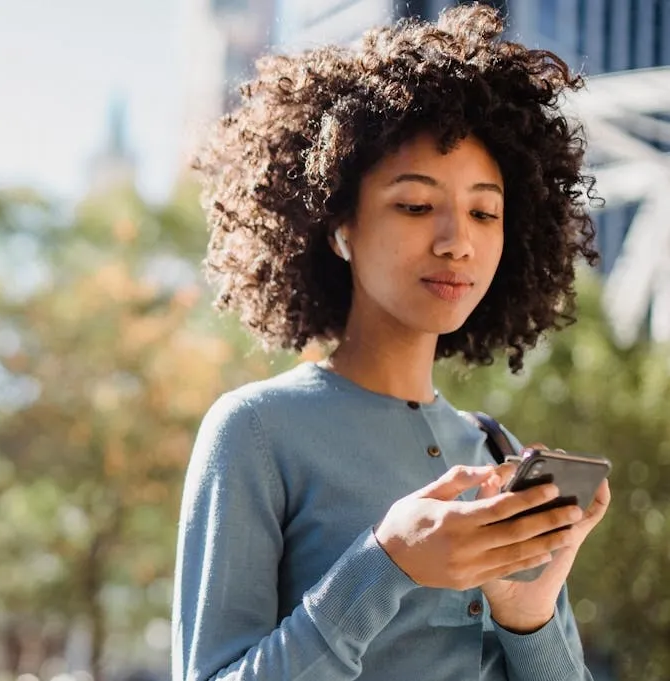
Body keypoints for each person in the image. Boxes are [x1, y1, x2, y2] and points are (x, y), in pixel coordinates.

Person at [171, 4, 611, 681]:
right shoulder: (256, 430)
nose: (456, 241)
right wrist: (383, 564)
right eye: (414, 205)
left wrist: (531, 614)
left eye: (484, 211)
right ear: (338, 222)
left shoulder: (497, 449)